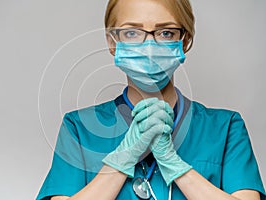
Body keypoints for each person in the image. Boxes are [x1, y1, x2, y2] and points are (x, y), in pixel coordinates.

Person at [36, 0, 266, 199]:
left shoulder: (225, 129)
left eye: (165, 33)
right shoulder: (79, 128)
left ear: (184, 41)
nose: (149, 47)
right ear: (112, 42)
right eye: (132, 33)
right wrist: (121, 159)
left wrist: (175, 165)